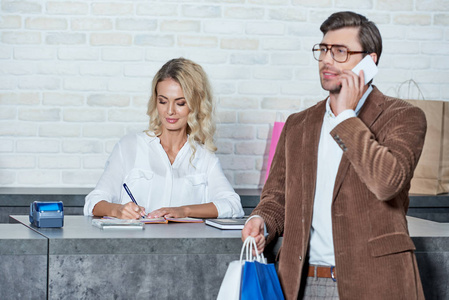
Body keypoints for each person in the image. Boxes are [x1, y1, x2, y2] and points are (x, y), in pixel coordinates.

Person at [242, 11, 426, 300]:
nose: (327, 60)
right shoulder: (298, 124)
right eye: (323, 50)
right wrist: (261, 221)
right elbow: (276, 198)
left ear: (370, 61)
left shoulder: (403, 117)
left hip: (375, 285)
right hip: (302, 284)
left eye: (340, 51)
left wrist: (345, 117)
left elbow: (388, 182)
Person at [84, 58, 244, 220]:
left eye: (180, 103)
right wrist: (117, 210)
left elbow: (233, 206)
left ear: (195, 105)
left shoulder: (205, 157)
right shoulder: (129, 147)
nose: (169, 111)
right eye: (163, 101)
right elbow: (93, 202)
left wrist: (184, 211)